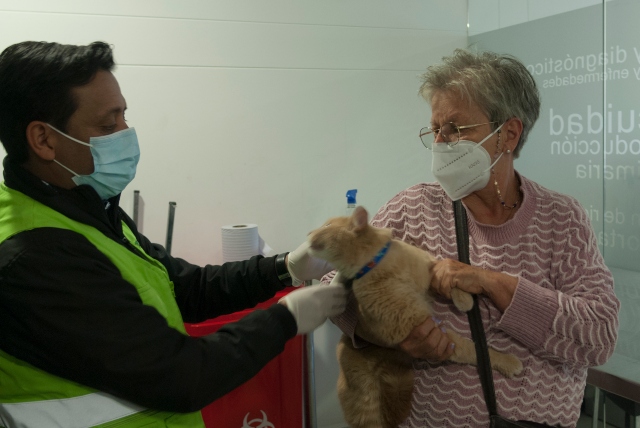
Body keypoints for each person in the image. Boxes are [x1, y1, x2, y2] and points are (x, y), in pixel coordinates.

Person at [0, 41, 347, 428]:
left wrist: (285, 268)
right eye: (108, 124)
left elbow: (186, 288)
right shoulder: (35, 255)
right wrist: (284, 319)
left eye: (124, 118)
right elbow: (181, 375)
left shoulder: (86, 208)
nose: (126, 134)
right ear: (44, 140)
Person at [330, 49, 620, 427]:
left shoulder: (562, 219)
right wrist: (394, 334)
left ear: (509, 135)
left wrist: (494, 283)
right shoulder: (413, 208)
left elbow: (598, 336)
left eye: (456, 128)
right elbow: (336, 295)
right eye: (435, 130)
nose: (441, 143)